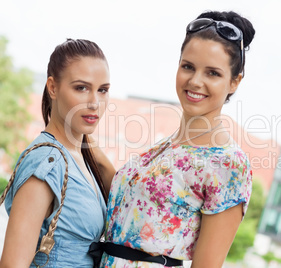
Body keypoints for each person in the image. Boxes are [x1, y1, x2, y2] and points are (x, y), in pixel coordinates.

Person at [100, 10, 255, 268]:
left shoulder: (228, 164)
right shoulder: (165, 148)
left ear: (234, 82)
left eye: (212, 73)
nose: (195, 81)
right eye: (188, 67)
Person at [0, 38, 115, 267]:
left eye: (102, 90)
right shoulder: (47, 163)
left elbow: (122, 197)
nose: (95, 103)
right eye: (81, 88)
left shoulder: (79, 157)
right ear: (53, 87)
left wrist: (87, 144)